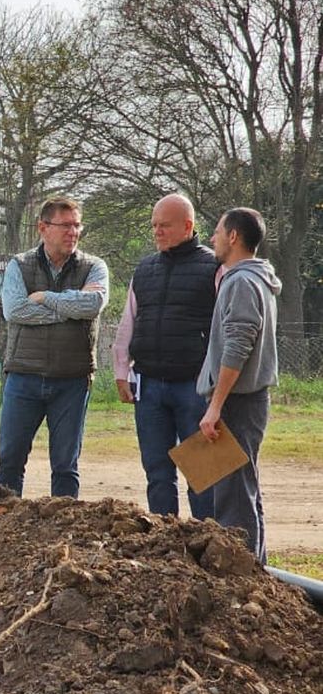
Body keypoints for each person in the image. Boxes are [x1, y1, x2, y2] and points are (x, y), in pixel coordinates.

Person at [0, 197, 109, 498]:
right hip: (24, 376)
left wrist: (45, 296)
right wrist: (70, 309)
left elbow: (93, 304)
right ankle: (2, 530)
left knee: (65, 465)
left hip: (73, 379)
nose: (73, 232)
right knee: (10, 461)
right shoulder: (19, 265)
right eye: (65, 225)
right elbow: (16, 311)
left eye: (77, 225)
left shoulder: (94, 267)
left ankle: (64, 532)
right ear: (43, 228)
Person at [112, 193, 218, 518]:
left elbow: (223, 329)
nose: (157, 231)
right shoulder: (144, 269)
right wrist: (121, 369)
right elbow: (128, 321)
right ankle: (165, 542)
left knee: (203, 474)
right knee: (157, 471)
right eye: (154, 225)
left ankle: (206, 543)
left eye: (165, 225)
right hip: (149, 385)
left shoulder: (214, 267)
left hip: (195, 386)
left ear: (188, 226)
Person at [198, 207, 280, 563]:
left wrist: (216, 405)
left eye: (217, 232)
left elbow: (238, 343)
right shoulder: (254, 278)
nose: (212, 239)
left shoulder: (242, 282)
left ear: (233, 237)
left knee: (233, 494)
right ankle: (254, 567)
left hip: (238, 403)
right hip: (244, 401)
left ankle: (239, 575)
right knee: (239, 487)